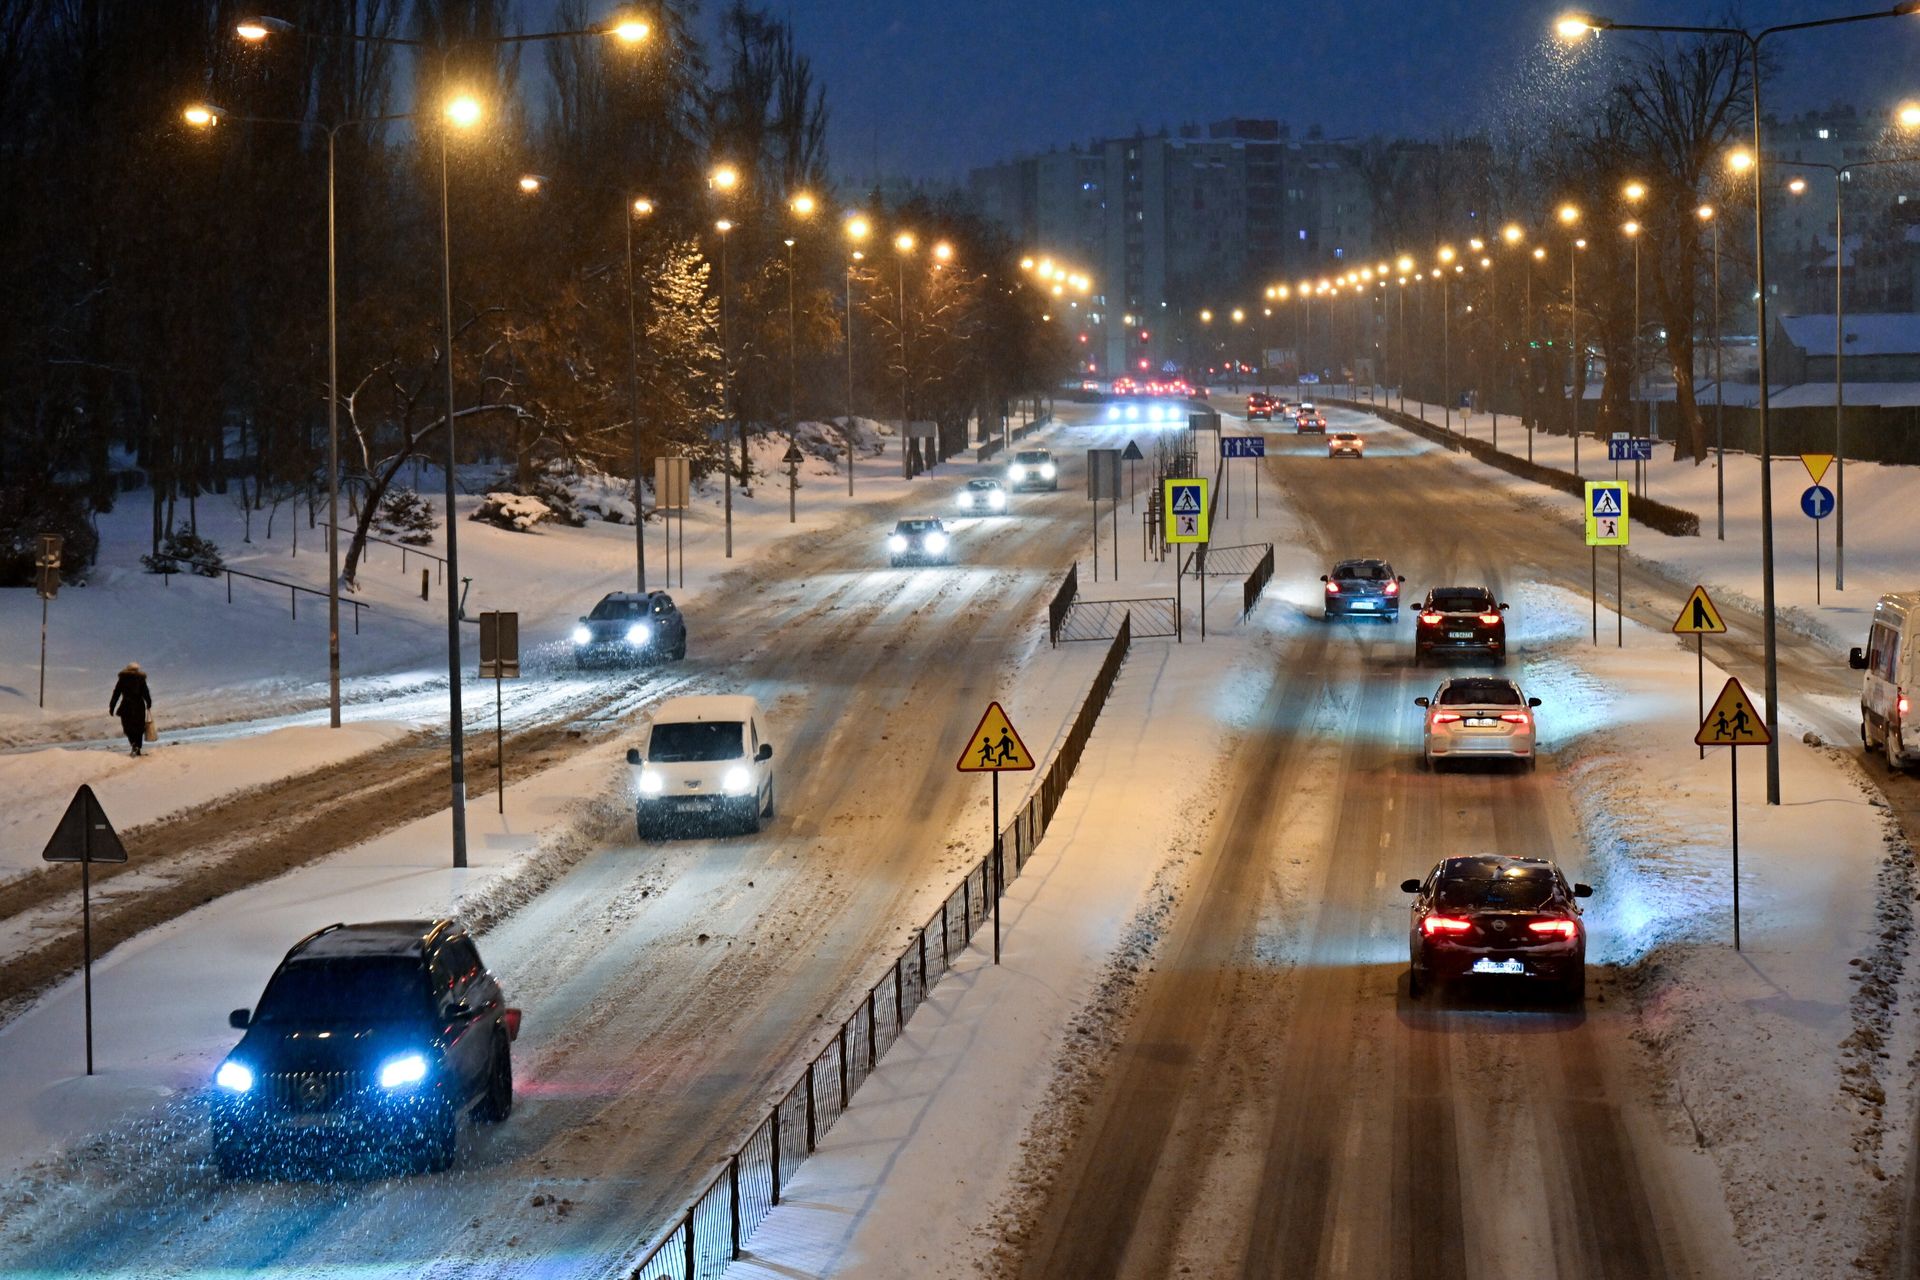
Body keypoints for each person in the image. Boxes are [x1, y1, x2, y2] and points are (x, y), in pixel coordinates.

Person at [109, 662, 152, 757]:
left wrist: (112, 706)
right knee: (139, 727)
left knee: (128, 727)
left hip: (126, 706)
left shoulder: (123, 679)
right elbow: (146, 692)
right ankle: (138, 747)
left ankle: (133, 744)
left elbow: (116, 693)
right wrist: (149, 703)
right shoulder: (141, 679)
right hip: (139, 706)